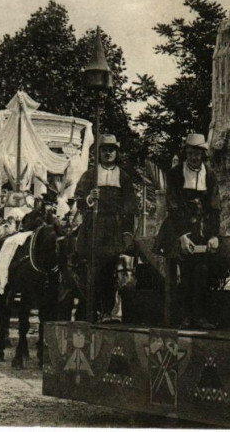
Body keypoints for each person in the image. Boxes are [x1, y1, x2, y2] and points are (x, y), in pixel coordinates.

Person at [155, 133, 221, 330]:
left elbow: (215, 206)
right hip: (179, 226)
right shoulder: (175, 173)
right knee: (185, 269)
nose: (194, 157)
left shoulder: (209, 174)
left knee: (202, 270)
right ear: (186, 154)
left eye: (198, 154)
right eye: (191, 153)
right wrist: (182, 235)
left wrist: (214, 235)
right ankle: (184, 316)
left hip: (203, 225)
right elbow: (173, 205)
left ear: (203, 154)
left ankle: (200, 316)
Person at [74, 134, 138, 323]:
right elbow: (79, 200)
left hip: (115, 228)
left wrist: (127, 231)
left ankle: (111, 310)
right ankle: (92, 309)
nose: (108, 153)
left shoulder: (124, 177)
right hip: (94, 227)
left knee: (115, 267)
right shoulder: (90, 175)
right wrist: (89, 199)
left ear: (116, 153)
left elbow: (131, 206)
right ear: (99, 153)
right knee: (93, 267)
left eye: (112, 150)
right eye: (104, 150)